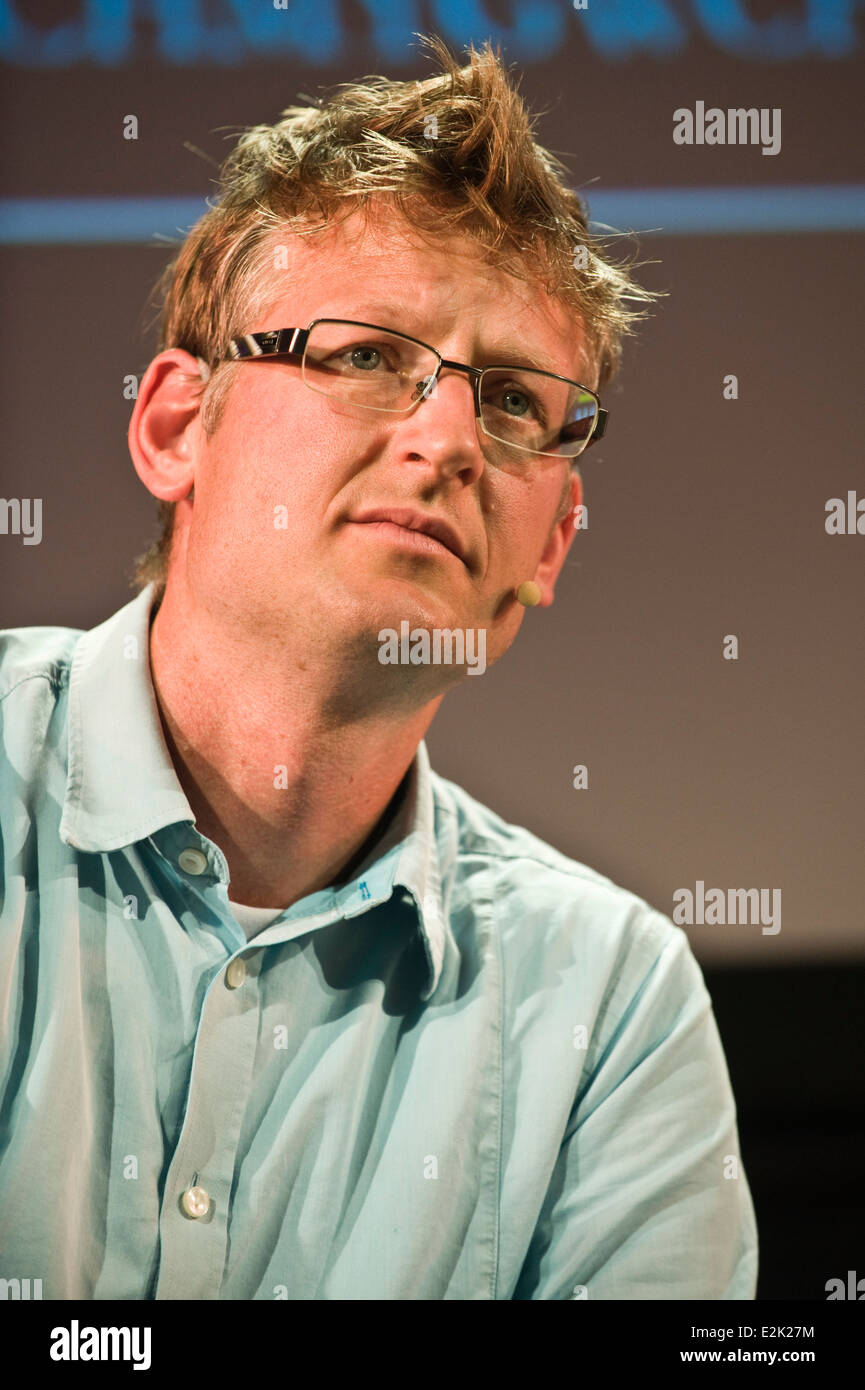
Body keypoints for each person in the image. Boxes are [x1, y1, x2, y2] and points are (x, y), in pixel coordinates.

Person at [0, 36, 757, 1300]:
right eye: (364, 356)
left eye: (515, 404)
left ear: (552, 542)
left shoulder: (610, 1006)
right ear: (179, 424)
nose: (451, 438)